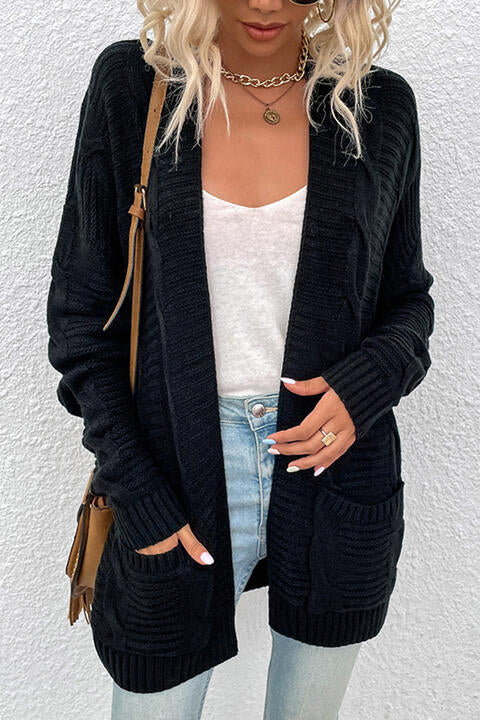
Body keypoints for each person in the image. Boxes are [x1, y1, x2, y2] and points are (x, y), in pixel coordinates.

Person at [46, 1, 435, 718]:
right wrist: (137, 489)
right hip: (174, 472)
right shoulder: (135, 90)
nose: (266, 3)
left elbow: (409, 302)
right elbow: (80, 320)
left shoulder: (379, 108)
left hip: (335, 473)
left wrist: (365, 385)